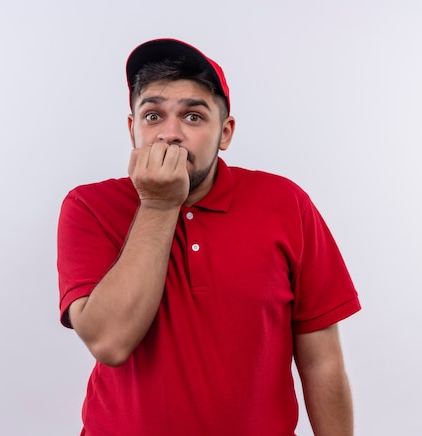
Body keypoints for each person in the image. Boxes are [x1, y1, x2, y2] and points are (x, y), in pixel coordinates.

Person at [57, 38, 361, 436]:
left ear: (226, 133)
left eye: (193, 117)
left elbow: (322, 361)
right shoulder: (88, 206)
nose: (170, 134)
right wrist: (160, 205)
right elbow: (110, 343)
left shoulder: (286, 203)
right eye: (152, 116)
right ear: (132, 128)